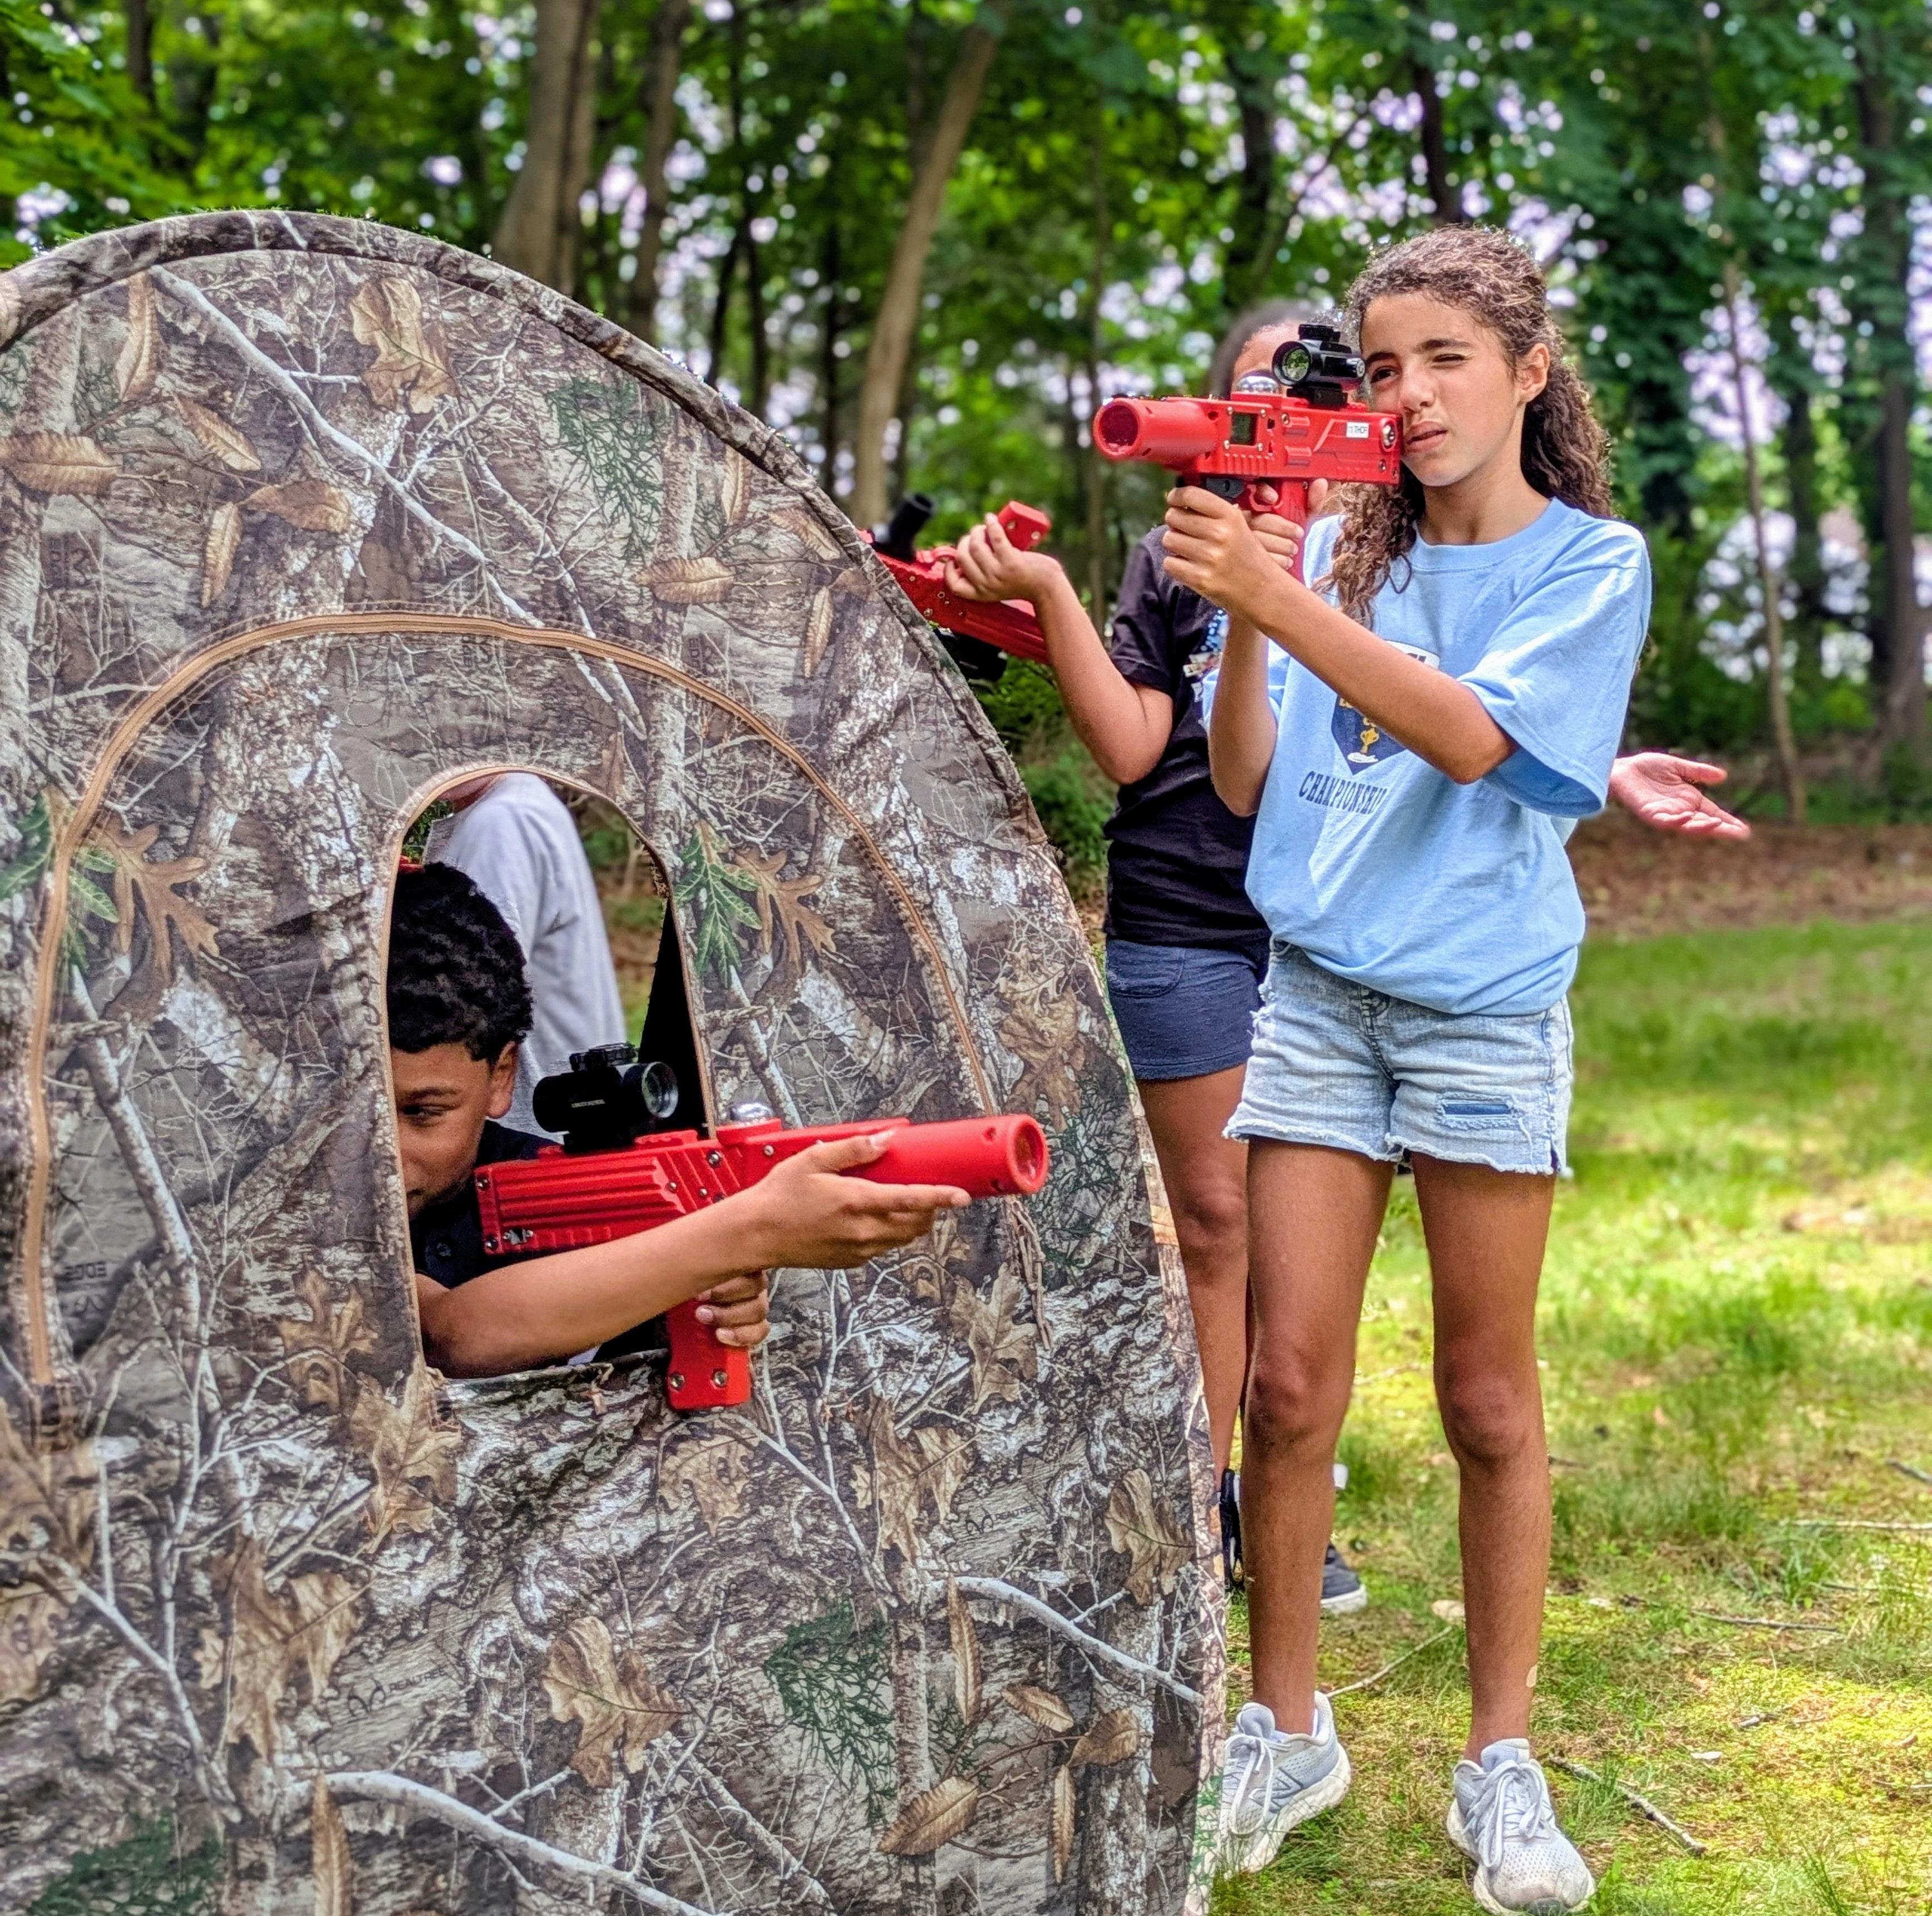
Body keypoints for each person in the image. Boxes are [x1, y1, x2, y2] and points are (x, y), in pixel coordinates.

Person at [941, 310, 1747, 1617]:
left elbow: (1456, 721)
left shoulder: (1396, 551)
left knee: (1386, 1325)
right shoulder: (1198, 551)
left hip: (1372, 942)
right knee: (1232, 1260)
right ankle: (1218, 1540)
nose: (1333, 396)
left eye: (1336, 379)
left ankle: (1284, 1530)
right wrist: (1087, 598)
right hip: (1212, 922)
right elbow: (1173, 753)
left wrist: (1588, 768)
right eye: (1275, 379)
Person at [1157, 225, 1653, 1916]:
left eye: (1443, 356)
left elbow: (1474, 743)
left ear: (1524, 370)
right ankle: (1281, 1730)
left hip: (1478, 1012)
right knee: (1286, 1391)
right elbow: (1234, 788)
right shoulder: (1339, 560)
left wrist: (1279, 593)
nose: (1408, 393)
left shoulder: (1590, 565)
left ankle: (1494, 1764)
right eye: (1378, 366)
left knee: (1482, 1400)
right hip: (1315, 999)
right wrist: (1248, 603)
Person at [390, 864, 969, 1377]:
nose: (386, 1151)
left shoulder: (529, 1180)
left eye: (421, 1113)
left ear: (500, 1077)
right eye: (368, 1112)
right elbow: (451, 1335)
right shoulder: (318, 1214)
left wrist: (688, 1294)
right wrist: (738, 1237)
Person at [425, 772, 628, 1136]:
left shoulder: (500, 821)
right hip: (557, 1119)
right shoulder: (510, 805)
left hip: (527, 1130)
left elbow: (461, 992)